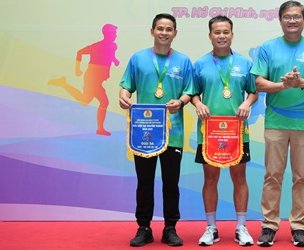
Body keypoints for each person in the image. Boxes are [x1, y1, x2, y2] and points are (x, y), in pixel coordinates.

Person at [251, 0, 304, 247]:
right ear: (280, 20)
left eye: (297, 16)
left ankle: (299, 226)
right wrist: (284, 85)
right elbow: (259, 83)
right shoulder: (268, 48)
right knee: (272, 176)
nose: (292, 21)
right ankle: (269, 226)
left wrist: (303, 83)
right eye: (287, 17)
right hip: (276, 123)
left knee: (302, 178)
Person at [119, 13, 196, 247]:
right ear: (152, 31)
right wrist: (124, 97)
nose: (164, 32)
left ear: (175, 33)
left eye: (169, 29)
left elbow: (190, 90)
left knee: (171, 183)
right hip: (144, 133)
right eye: (160, 28)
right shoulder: (138, 58)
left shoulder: (183, 61)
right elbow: (126, 86)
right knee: (144, 182)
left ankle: (170, 228)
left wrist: (180, 102)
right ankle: (144, 228)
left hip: (173, 133)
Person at [191, 16, 258, 246]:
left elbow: (253, 91)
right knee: (210, 179)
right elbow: (193, 92)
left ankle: (241, 227)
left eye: (226, 32)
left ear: (232, 34)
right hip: (209, 131)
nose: (222, 36)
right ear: (210, 35)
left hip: (237, 131)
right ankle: (211, 228)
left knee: (239, 178)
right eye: (217, 32)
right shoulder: (200, 64)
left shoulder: (245, 63)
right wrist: (198, 104)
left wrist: (247, 103)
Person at [48, 23, 120, 135]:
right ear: (107, 34)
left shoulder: (113, 46)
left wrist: (114, 60)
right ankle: (100, 129)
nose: (115, 35)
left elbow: (110, 56)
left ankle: (63, 83)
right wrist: (77, 69)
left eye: (115, 33)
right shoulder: (96, 46)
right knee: (103, 102)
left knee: (86, 101)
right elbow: (80, 52)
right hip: (92, 78)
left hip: (98, 79)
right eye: (114, 33)